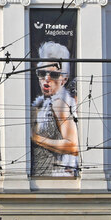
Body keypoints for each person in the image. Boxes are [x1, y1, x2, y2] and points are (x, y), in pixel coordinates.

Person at [31, 41, 80, 176]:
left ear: (64, 79)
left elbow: (73, 146)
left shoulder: (60, 102)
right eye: (42, 73)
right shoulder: (43, 104)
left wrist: (37, 139)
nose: (46, 79)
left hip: (57, 176)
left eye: (53, 75)